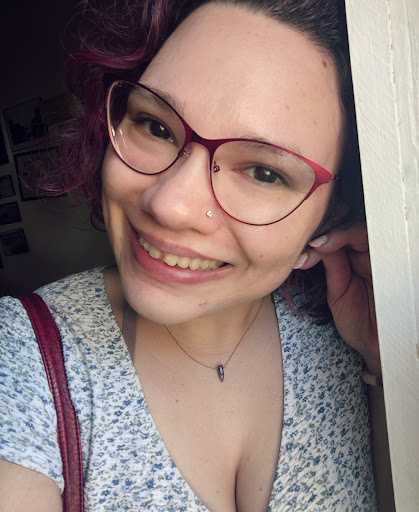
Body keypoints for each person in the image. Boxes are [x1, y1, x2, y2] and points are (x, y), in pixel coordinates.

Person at [0, 0, 387, 510]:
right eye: (155, 126)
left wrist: (384, 360)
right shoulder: (22, 355)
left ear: (331, 214)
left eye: (264, 172)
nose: (170, 204)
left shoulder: (348, 330)